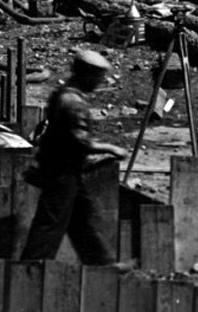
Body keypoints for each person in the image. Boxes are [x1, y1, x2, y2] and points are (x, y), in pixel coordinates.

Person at [20, 48, 126, 264]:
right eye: (98, 77)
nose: (100, 83)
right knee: (49, 226)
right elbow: (81, 141)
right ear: (86, 75)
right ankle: (30, 269)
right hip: (62, 173)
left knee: (82, 224)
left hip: (65, 171)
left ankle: (103, 266)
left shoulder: (63, 94)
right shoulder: (72, 102)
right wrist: (111, 148)